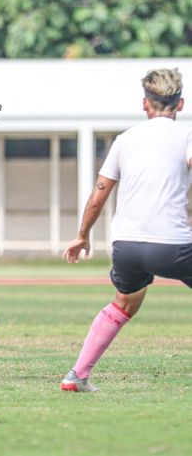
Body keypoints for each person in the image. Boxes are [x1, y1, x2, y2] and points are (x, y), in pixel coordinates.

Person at [61, 68, 192, 392]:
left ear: (145, 104)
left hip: (127, 246)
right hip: (172, 245)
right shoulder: (187, 136)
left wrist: (82, 235)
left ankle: (77, 375)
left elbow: (99, 194)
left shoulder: (125, 140)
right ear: (180, 104)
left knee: (123, 303)